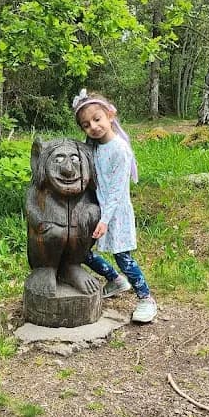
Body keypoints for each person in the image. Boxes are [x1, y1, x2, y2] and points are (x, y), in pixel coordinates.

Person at [72, 87, 158, 323]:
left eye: (97, 119)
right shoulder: (94, 148)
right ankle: (115, 280)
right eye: (86, 124)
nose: (93, 127)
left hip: (115, 213)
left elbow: (117, 191)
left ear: (110, 114)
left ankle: (146, 299)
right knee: (81, 252)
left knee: (123, 257)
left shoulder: (119, 149)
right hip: (97, 211)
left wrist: (105, 220)